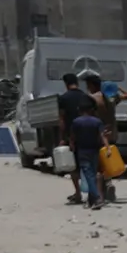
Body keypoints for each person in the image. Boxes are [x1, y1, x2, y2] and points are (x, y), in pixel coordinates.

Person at [82, 72, 124, 202]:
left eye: (88, 85)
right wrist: (117, 88)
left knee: (98, 165)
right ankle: (108, 183)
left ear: (91, 85)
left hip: (99, 134)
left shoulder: (92, 98)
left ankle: (100, 194)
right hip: (112, 133)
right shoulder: (111, 98)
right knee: (108, 160)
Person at [55, 72, 90, 205]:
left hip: (72, 136)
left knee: (73, 166)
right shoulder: (85, 96)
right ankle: (92, 192)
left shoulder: (63, 98)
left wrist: (62, 138)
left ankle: (78, 193)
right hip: (87, 133)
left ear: (65, 84)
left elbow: (62, 120)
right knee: (88, 164)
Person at [68, 101, 107, 210]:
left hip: (82, 151)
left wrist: (71, 146)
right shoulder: (97, 121)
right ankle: (92, 200)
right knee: (92, 175)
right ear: (91, 110)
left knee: (88, 175)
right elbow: (102, 135)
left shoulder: (76, 122)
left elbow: (72, 137)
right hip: (95, 150)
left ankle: (97, 198)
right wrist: (107, 148)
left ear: (80, 110)